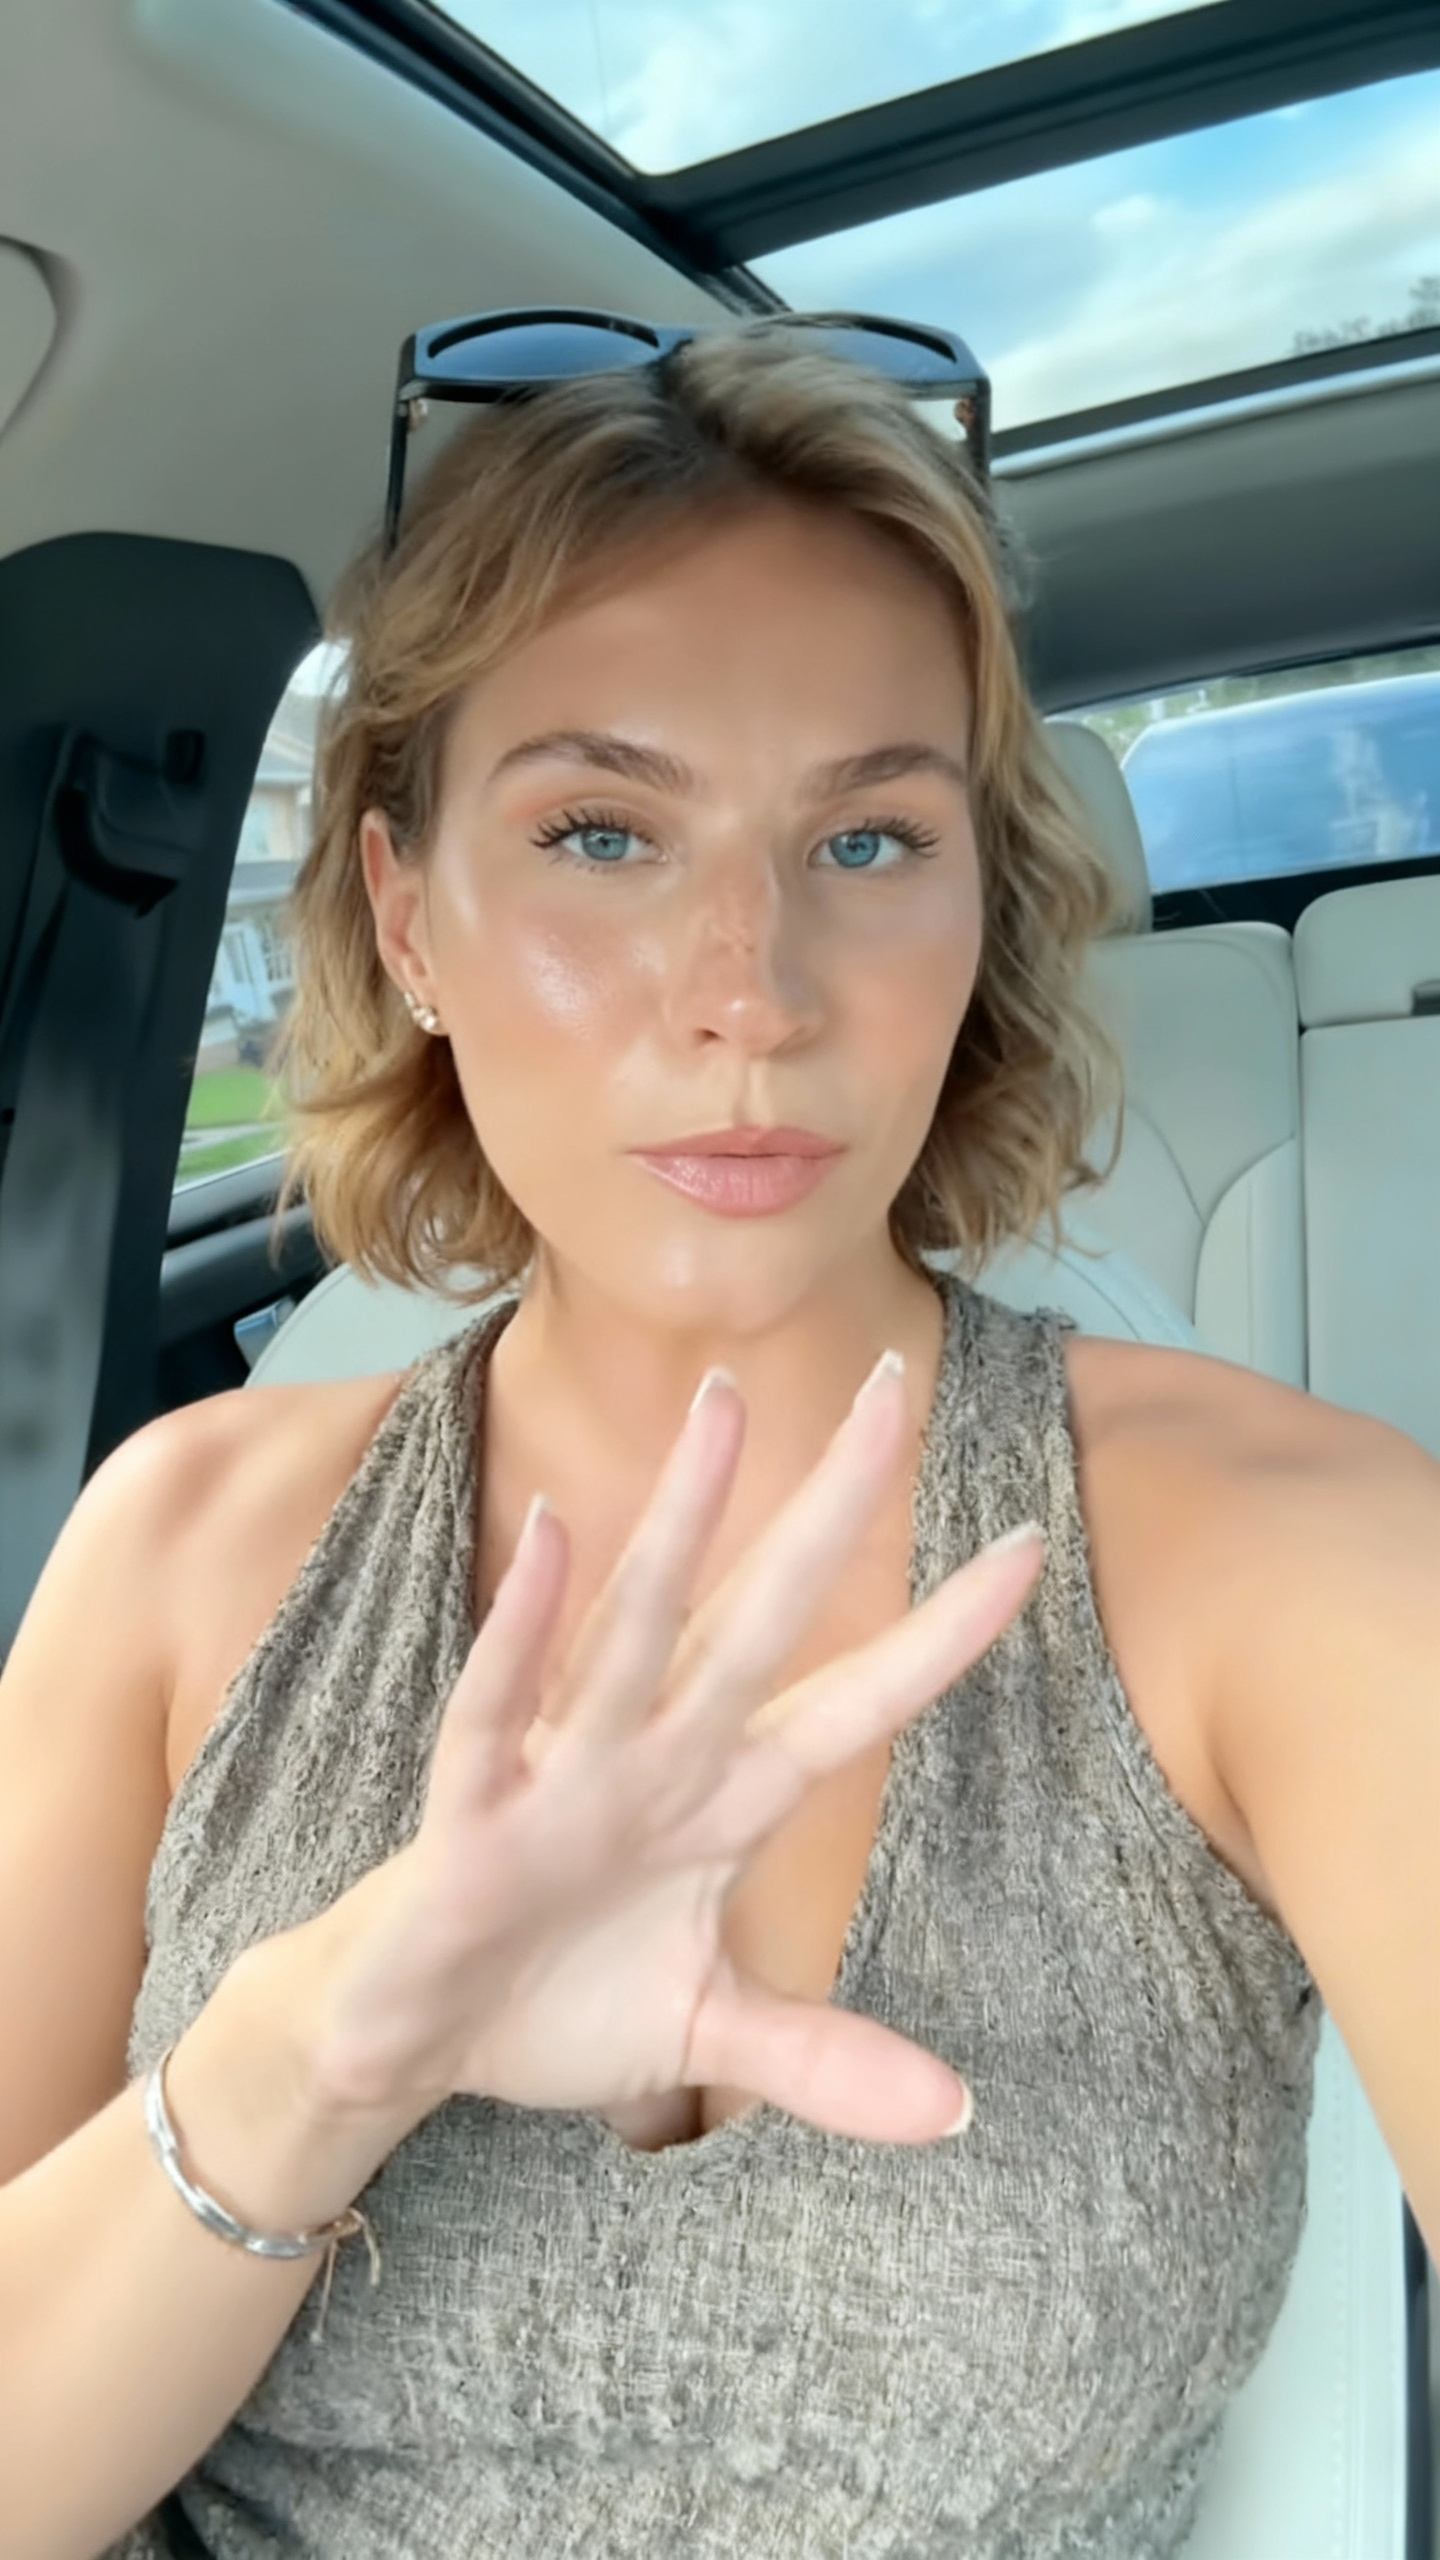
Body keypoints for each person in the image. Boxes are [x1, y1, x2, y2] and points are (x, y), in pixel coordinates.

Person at [0, 323, 1435, 2560]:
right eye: (601, 832)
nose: (750, 987)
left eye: (868, 836)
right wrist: (321, 2047)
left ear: (977, 909)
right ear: (408, 914)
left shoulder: (1299, 1556)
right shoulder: (174, 1542)